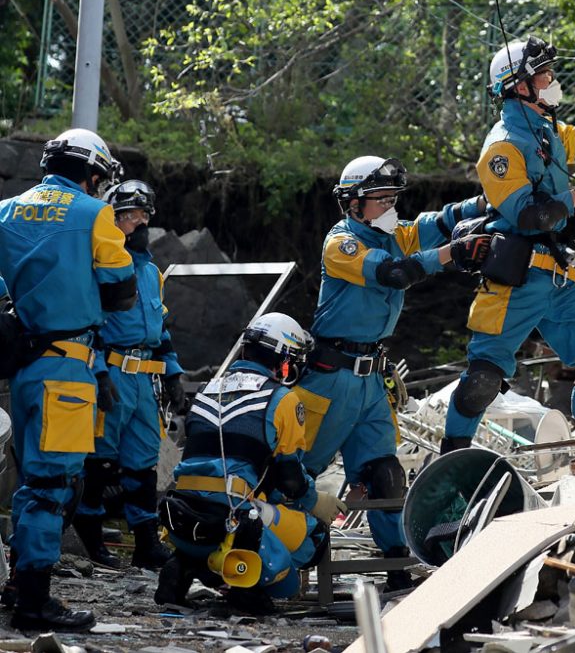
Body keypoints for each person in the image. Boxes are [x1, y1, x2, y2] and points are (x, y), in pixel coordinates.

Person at [293, 155, 490, 588]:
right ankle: (279, 555)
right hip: (330, 377)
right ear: (354, 203)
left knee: (384, 473)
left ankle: (397, 571)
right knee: (296, 471)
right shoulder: (342, 242)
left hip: (369, 380)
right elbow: (393, 274)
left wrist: (490, 202)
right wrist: (453, 254)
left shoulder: (394, 233)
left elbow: (440, 220)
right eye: (381, 199)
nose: (390, 207)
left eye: (393, 199)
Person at [440, 37, 575, 466]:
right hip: (517, 273)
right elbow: (527, 216)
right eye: (542, 75)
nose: (550, 81)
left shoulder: (548, 130)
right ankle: (449, 465)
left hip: (557, 272)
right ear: (518, 86)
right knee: (484, 378)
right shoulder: (502, 146)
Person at [0, 128, 136, 630]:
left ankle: (19, 586)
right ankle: (35, 603)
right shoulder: (93, 213)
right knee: (55, 485)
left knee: (31, 480)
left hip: (24, 367)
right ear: (92, 173)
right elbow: (121, 291)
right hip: (67, 367)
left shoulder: (6, 210)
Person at [154, 313, 339, 613]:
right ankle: (246, 588)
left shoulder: (205, 391)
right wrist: (315, 500)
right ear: (283, 357)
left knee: (226, 503)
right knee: (313, 539)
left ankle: (183, 566)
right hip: (232, 520)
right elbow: (289, 477)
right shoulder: (282, 399)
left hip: (181, 516)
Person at [71, 180, 186, 570]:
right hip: (114, 371)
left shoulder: (152, 272)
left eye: (143, 216)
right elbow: (91, 325)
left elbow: (161, 328)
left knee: (143, 462)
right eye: (128, 216)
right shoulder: (99, 267)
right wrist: (100, 375)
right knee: (100, 460)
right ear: (112, 219)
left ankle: (146, 542)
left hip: (145, 379)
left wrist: (173, 374)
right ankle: (88, 528)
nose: (137, 223)